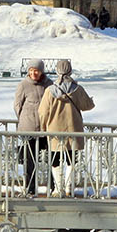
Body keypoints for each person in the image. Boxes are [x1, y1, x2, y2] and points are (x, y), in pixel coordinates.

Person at [38, 59, 94, 197]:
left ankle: (58, 188)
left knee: (55, 159)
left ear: (57, 71)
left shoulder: (50, 91)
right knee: (71, 159)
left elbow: (43, 112)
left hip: (54, 130)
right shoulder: (77, 89)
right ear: (70, 70)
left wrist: (44, 127)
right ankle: (69, 187)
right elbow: (88, 106)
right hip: (73, 129)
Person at [12, 59, 51, 195]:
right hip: (29, 128)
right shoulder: (23, 85)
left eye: (37, 70)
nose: (34, 73)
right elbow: (17, 105)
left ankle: (52, 186)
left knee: (51, 158)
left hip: (46, 128)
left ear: (41, 71)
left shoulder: (49, 85)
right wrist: (25, 119)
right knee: (30, 160)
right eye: (31, 70)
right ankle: (30, 187)